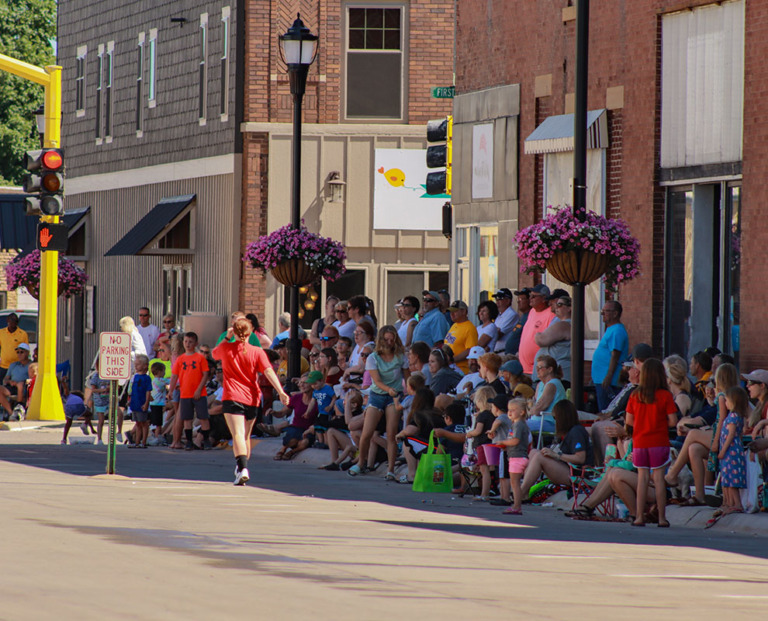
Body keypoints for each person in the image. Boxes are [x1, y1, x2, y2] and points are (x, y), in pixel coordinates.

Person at [213, 317, 288, 484]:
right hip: (252, 398)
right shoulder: (257, 351)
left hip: (232, 396)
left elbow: (214, 353)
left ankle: (242, 467)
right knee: (245, 435)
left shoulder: (227, 347)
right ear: (250, 333)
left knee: (238, 434)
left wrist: (227, 336)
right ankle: (243, 466)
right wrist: (281, 392)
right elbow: (269, 372)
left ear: (234, 331)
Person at [665, 363, 739, 506]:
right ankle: (700, 495)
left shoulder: (724, 396)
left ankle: (672, 474)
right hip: (721, 433)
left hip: (726, 438)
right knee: (694, 449)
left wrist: (716, 441)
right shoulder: (729, 396)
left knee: (692, 434)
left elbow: (722, 420)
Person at [348, 326, 410, 479]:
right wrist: (389, 389)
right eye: (386, 339)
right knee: (367, 432)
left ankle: (390, 469)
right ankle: (361, 462)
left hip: (394, 396)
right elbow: (377, 381)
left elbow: (408, 378)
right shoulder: (373, 357)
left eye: (392, 339)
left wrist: (408, 392)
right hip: (378, 394)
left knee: (391, 433)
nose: (389, 343)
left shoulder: (401, 356)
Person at [625, 357, 678, 527]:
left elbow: (629, 421)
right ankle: (662, 518)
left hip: (640, 442)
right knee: (659, 479)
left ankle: (640, 516)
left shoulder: (635, 395)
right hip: (659, 441)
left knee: (642, 479)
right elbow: (673, 421)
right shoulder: (666, 395)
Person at [521, 400, 593, 498]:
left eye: (555, 417)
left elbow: (580, 458)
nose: (555, 421)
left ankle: (521, 492)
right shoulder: (567, 432)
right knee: (534, 452)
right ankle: (524, 490)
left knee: (539, 457)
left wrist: (557, 455)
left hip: (577, 474)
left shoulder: (576, 432)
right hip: (567, 468)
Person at [169, 331, 211, 451]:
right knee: (187, 418)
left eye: (190, 342)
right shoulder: (180, 359)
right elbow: (174, 376)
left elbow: (205, 374)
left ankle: (206, 440)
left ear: (196, 343)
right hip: (185, 393)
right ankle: (188, 441)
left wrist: (199, 389)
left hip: (199, 393)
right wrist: (170, 390)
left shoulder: (200, 358)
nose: (188, 344)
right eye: (186, 341)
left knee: (203, 417)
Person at [591, 300, 629, 411]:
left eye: (606, 311)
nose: (603, 314)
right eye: (602, 311)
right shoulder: (610, 329)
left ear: (615, 313)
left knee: (607, 410)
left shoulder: (617, 330)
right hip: (601, 379)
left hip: (609, 382)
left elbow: (615, 356)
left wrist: (608, 376)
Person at [717, 386, 748, 517]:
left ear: (734, 402)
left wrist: (723, 451)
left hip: (731, 453)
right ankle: (730, 503)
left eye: (727, 400)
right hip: (731, 452)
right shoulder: (734, 416)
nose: (725, 403)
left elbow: (731, 435)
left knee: (732, 480)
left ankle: (737, 504)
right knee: (727, 479)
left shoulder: (734, 416)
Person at [497, 398, 531, 515]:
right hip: (518, 456)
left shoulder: (518, 425)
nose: (509, 413)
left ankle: (516, 506)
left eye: (512, 410)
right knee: (515, 483)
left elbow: (515, 441)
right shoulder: (519, 425)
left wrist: (503, 442)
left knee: (515, 484)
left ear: (521, 412)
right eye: (508, 410)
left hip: (517, 458)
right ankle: (517, 505)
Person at [275, 374, 318, 461]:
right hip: (296, 427)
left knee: (305, 442)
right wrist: (273, 412)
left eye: (305, 383)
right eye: (301, 382)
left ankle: (292, 452)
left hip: (309, 429)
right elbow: (283, 412)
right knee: (292, 437)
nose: (302, 385)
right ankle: (282, 449)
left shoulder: (317, 399)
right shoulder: (296, 397)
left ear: (312, 385)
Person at [517, 284, 556, 375]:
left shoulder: (551, 314)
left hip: (537, 370)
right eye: (530, 296)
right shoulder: (532, 311)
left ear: (544, 298)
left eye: (534, 296)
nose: (530, 298)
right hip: (524, 369)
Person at [528, 355, 567, 441]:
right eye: (536, 367)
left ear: (550, 369)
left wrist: (532, 409)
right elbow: (533, 406)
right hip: (537, 421)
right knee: (514, 424)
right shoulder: (540, 384)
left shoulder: (552, 384)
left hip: (549, 422)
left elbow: (537, 409)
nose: (537, 370)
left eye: (540, 367)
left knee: (517, 426)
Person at [534, 295, 572, 383]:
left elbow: (541, 340)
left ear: (569, 308)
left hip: (555, 376)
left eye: (560, 305)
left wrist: (537, 334)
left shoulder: (564, 325)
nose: (556, 307)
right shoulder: (561, 322)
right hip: (549, 376)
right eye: (556, 304)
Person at [444, 300, 478, 374]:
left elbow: (470, 350)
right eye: (450, 311)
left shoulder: (470, 328)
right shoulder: (454, 325)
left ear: (463, 312)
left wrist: (452, 360)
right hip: (449, 366)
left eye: (455, 311)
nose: (451, 314)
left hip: (460, 369)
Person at [127, 354, 152, 448]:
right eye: (135, 364)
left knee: (144, 423)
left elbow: (148, 391)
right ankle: (137, 442)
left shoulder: (146, 378)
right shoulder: (135, 377)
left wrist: (146, 403)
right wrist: (130, 400)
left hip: (142, 403)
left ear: (145, 366)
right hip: (135, 403)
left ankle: (143, 442)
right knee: (137, 423)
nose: (136, 366)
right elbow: (133, 390)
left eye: (138, 364)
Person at [0, 313, 29, 383]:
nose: (13, 322)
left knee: (14, 385)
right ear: (7, 320)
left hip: (16, 366)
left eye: (15, 321)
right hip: (3, 365)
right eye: (11, 320)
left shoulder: (22, 334)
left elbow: (26, 350)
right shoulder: (1, 332)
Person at [148, 361, 170, 445]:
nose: (164, 373)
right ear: (160, 371)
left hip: (153, 403)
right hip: (158, 404)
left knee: (156, 422)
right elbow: (170, 381)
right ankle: (157, 438)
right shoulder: (160, 381)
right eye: (164, 371)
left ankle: (156, 436)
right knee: (158, 424)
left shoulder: (154, 380)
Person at [505, 288, 531, 356]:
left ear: (529, 300)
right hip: (511, 354)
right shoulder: (523, 316)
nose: (518, 302)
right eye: (518, 299)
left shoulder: (531, 316)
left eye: (521, 299)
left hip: (518, 355)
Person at [491, 289, 519, 353]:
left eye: (500, 299)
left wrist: (492, 331)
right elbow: (493, 332)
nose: (497, 302)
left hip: (503, 352)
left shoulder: (511, 314)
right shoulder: (499, 315)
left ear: (508, 301)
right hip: (496, 352)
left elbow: (497, 335)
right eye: (496, 299)